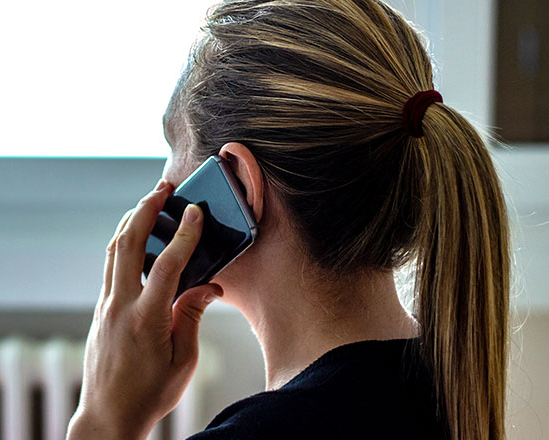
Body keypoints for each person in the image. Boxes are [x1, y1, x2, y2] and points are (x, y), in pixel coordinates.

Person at [67, 0, 510, 439]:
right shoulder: (445, 392)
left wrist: (103, 420)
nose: (162, 185)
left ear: (239, 182)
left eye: (173, 144)